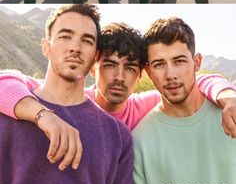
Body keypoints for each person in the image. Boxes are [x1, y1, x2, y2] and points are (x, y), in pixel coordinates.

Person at [0, 21, 236, 171]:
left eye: (131, 68)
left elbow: (195, 82)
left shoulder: (148, 106)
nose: (120, 77)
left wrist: (227, 97)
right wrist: (43, 115)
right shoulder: (65, 100)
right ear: (94, 67)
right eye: (110, 65)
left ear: (142, 74)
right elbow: (6, 81)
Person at [0, 5, 133, 184]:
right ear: (45, 47)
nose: (75, 48)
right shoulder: (7, 117)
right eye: (65, 36)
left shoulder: (118, 136)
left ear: (96, 55)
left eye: (87, 41)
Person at [133, 17, 236, 184]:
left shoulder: (231, 115)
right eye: (159, 64)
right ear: (148, 71)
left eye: (179, 61)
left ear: (196, 63)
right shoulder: (139, 142)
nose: (170, 74)